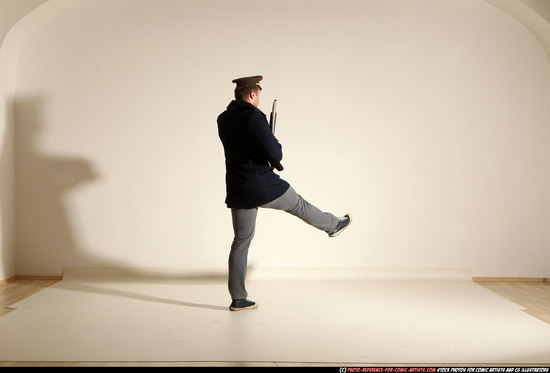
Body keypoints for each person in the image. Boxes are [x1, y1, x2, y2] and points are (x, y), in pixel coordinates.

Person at [217, 75, 352, 311]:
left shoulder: (223, 119)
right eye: (259, 94)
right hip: (260, 184)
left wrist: (263, 148)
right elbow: (276, 154)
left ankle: (238, 298)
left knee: (241, 241)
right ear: (252, 94)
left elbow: (242, 148)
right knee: (298, 204)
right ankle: (333, 225)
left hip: (238, 186)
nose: (259, 98)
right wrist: (273, 144)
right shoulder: (255, 117)